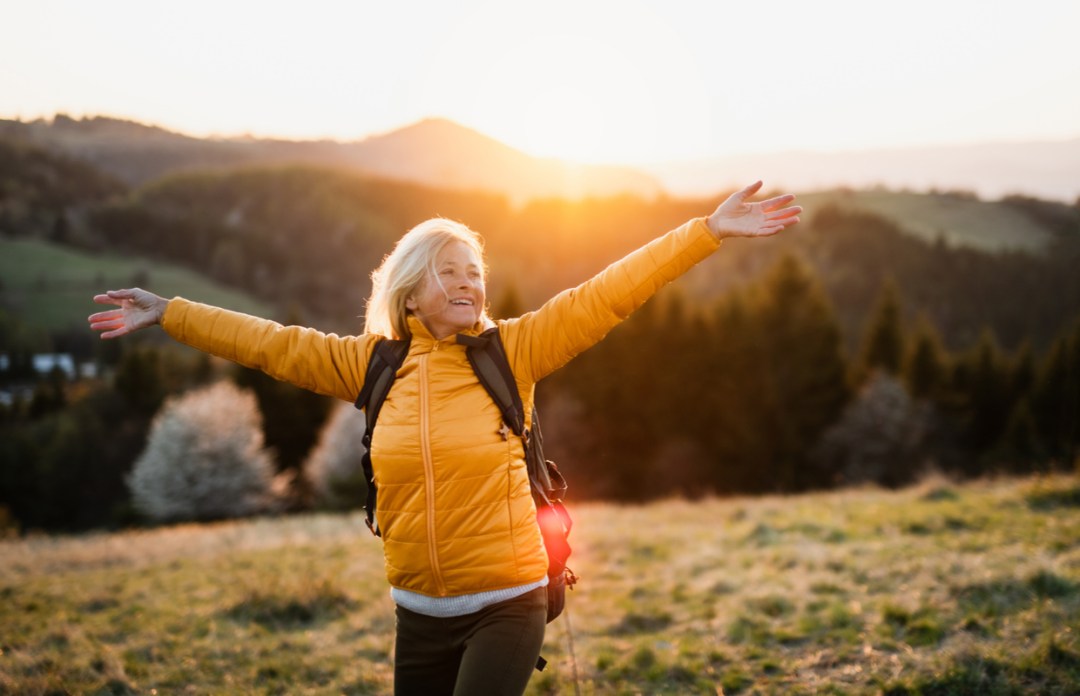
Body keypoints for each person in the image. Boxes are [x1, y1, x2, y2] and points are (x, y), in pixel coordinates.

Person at [88, 180, 800, 695]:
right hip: (417, 612)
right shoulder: (371, 366)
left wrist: (704, 231)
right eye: (449, 271)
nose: (468, 284)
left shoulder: (512, 353)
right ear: (409, 290)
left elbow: (609, 292)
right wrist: (170, 312)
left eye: (475, 273)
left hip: (509, 600)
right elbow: (269, 344)